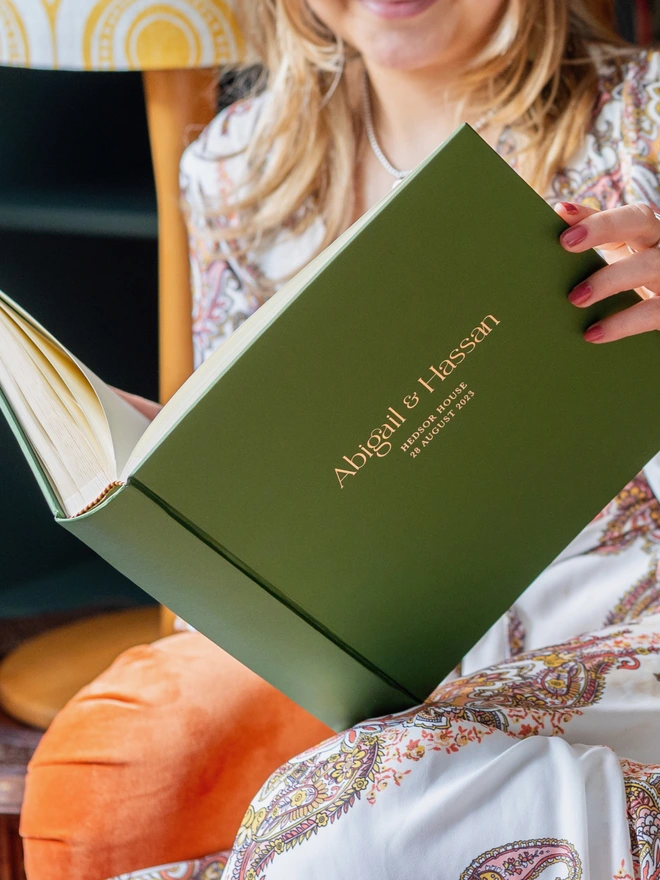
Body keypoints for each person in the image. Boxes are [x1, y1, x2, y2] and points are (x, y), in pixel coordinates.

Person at [33, 1, 660, 878]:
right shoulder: (235, 170)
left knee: (367, 821)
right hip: (388, 680)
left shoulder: (643, 120)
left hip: (625, 653)